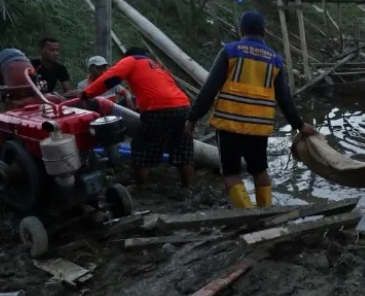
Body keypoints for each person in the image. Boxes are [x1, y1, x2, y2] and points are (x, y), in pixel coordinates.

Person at [184, 11, 316, 209]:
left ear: (241, 30)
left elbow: (208, 91)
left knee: (231, 174)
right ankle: (266, 213)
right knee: (259, 170)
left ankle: (250, 217)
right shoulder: (275, 60)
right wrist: (299, 125)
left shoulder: (230, 52)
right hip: (258, 127)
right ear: (264, 32)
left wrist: (192, 119)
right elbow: (285, 99)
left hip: (229, 125)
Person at [79, 47, 195, 188]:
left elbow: (110, 79)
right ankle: (186, 187)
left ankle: (142, 189)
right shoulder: (156, 65)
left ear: (127, 56)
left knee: (141, 149)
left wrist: (86, 94)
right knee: (182, 148)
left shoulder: (131, 60)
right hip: (182, 105)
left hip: (157, 108)